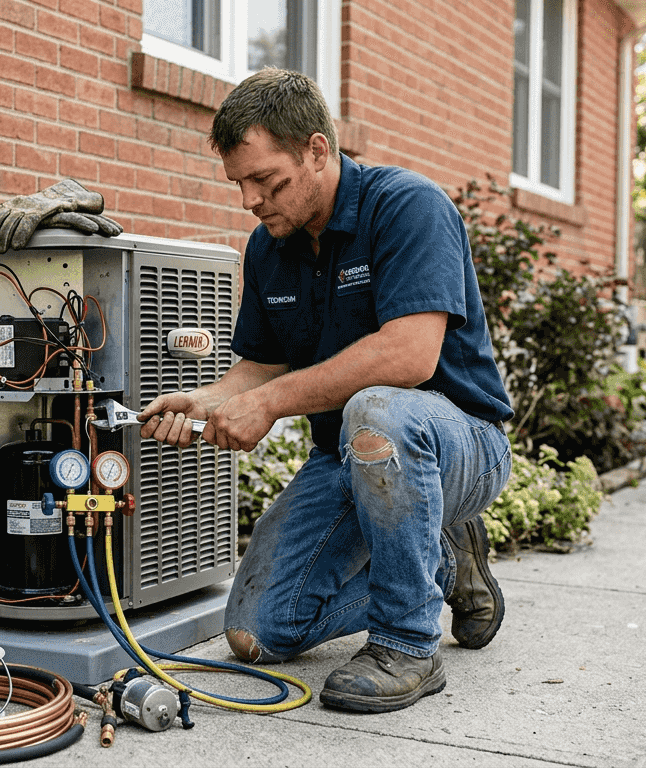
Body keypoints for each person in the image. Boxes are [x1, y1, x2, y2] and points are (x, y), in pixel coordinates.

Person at [138, 68, 515, 714]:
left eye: (267, 181)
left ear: (317, 150)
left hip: (460, 444)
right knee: (256, 630)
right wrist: (208, 402)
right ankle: (443, 562)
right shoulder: (268, 249)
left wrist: (271, 404)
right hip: (349, 458)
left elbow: (409, 354)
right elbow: (257, 369)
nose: (252, 200)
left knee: (377, 409)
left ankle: (408, 643)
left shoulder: (407, 207)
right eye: (240, 184)